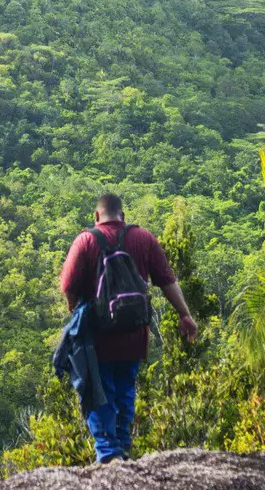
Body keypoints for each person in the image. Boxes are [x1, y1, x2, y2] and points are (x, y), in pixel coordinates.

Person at [58, 193, 198, 462]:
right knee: (125, 389)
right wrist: (185, 314)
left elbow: (67, 286)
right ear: (123, 215)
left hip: (97, 338)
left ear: (97, 216)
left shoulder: (86, 240)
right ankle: (122, 448)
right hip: (134, 334)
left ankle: (108, 454)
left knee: (98, 391)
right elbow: (167, 281)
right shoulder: (144, 239)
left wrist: (74, 307)